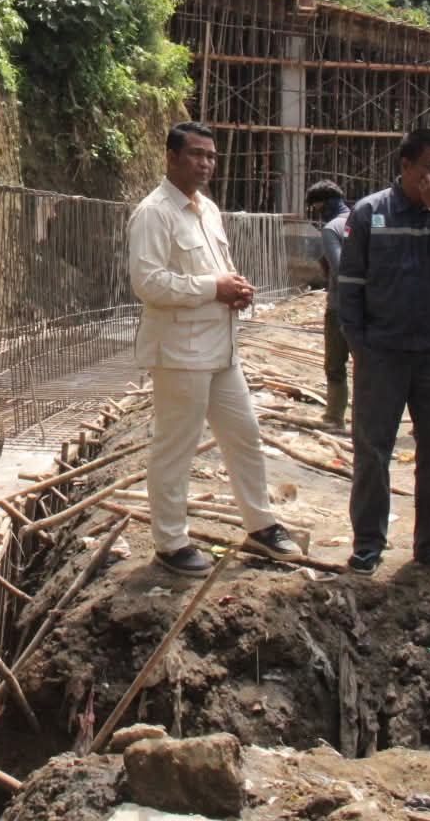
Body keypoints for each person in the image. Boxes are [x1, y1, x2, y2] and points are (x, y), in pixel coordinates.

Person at [128, 121, 300, 575]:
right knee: (176, 447)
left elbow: (217, 268)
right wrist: (213, 288)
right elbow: (148, 282)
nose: (205, 163)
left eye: (211, 156)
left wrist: (234, 288)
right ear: (171, 158)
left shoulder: (207, 210)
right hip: (180, 353)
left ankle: (260, 524)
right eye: (196, 154)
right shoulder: (154, 213)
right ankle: (170, 542)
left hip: (221, 349)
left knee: (244, 434)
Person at [336, 127, 430, 577]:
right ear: (406, 166)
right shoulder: (370, 211)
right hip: (382, 353)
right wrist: (359, 343)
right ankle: (368, 544)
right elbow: (350, 282)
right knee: (372, 448)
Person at [307, 179, 352, 427]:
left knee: (335, 365)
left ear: (326, 204)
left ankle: (334, 417)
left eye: (317, 208)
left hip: (340, 307)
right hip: (372, 305)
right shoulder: (365, 220)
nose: (318, 214)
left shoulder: (331, 229)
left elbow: (340, 269)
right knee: (368, 366)